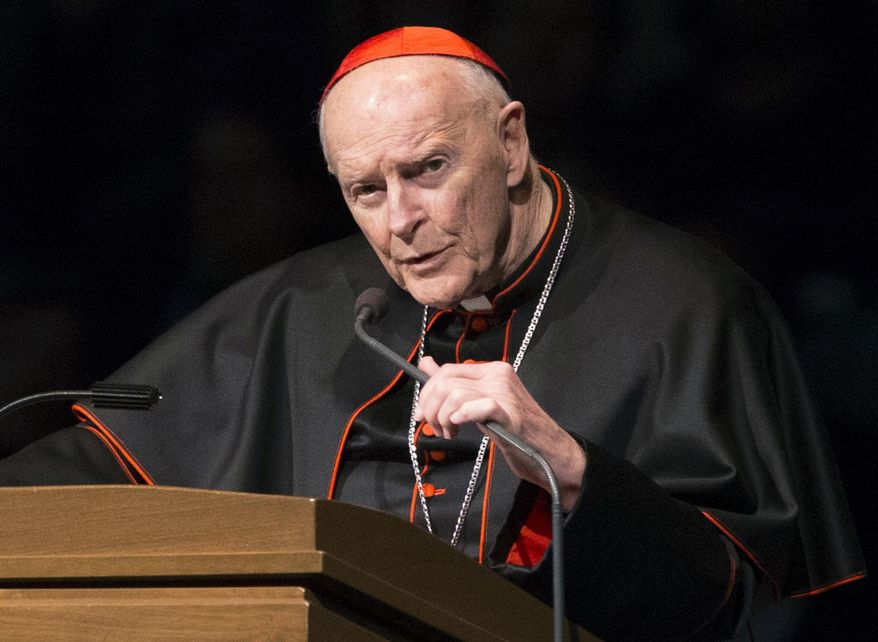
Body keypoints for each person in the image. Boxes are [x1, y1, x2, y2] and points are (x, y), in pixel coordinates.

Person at [0, 27, 864, 640]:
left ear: (513, 141)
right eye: (365, 190)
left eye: (429, 170)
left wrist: (571, 470)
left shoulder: (687, 301)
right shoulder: (306, 301)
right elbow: (91, 473)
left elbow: (721, 607)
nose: (400, 222)